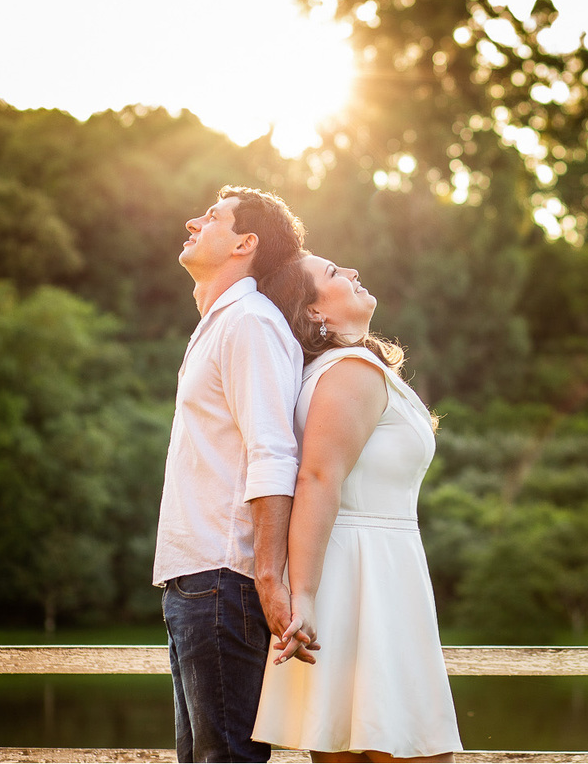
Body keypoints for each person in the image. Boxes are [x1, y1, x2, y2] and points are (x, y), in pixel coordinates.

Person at [252, 253, 462, 762]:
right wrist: (301, 594)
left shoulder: (345, 369)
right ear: (315, 312)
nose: (349, 271)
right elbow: (319, 478)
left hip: (377, 567)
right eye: (332, 275)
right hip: (362, 568)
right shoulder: (351, 371)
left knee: (368, 746)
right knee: (411, 748)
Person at [153, 185, 306, 762]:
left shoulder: (249, 324)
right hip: (196, 577)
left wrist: (267, 575)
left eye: (212, 217)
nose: (193, 221)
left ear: (245, 242)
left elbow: (273, 452)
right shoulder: (222, 323)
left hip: (226, 577)